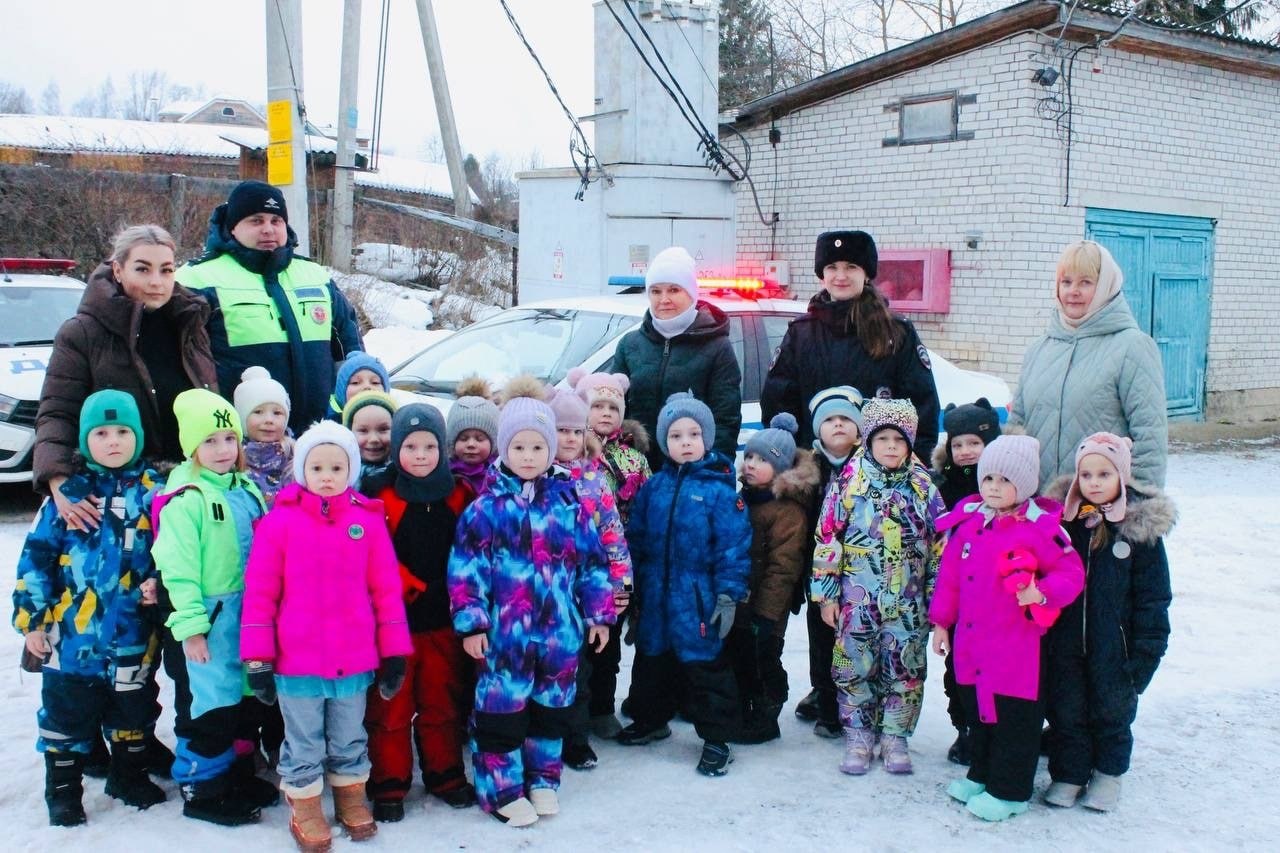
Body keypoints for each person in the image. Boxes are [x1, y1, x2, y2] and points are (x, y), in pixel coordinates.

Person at [447, 383, 615, 826]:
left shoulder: (568, 504)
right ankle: (501, 789)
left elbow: (593, 562)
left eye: (537, 446)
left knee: (551, 711)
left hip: (559, 633)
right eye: (518, 446)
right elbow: (466, 572)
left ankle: (543, 779)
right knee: (502, 714)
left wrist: (599, 614)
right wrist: (473, 625)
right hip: (506, 636)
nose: (528, 455)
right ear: (504, 449)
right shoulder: (486, 510)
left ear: (551, 449)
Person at [241, 421, 412, 848]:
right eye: (317, 468)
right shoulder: (278, 524)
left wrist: (394, 653)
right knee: (303, 741)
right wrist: (259, 659)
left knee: (349, 734)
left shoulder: (366, 522)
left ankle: (350, 797)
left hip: (353, 661)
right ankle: (306, 807)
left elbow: (386, 591)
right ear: (302, 471)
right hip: (296, 663)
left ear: (350, 470)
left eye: (337, 467)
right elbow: (260, 595)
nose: (327, 477)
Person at [14, 391, 166, 825]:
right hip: (73, 638)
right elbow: (37, 560)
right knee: (66, 712)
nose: (113, 441)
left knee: (133, 706)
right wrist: (33, 621)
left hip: (134, 634)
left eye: (123, 432)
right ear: (85, 439)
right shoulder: (69, 498)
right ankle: (62, 790)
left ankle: (129, 774)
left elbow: (170, 551)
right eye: (101, 432)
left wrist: (161, 584)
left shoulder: (155, 494)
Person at [929, 435, 1084, 822]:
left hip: (1016, 651)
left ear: (1025, 484)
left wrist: (1041, 592)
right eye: (988, 479)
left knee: (1014, 720)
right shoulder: (971, 523)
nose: (994, 488)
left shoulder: (1041, 528)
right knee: (979, 715)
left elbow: (1071, 573)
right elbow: (949, 577)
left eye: (1003, 480)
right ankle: (981, 774)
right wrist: (941, 623)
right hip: (971, 644)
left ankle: (1010, 790)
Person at [152, 388, 271, 826]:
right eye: (210, 441)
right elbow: (176, 570)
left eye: (229, 439)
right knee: (208, 707)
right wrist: (191, 628)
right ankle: (202, 788)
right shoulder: (186, 498)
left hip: (246, 617)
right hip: (207, 620)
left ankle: (234, 775)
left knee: (240, 703)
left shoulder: (245, 488)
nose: (222, 450)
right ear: (192, 447)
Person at [617, 392, 751, 778]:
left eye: (694, 434)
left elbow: (733, 548)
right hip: (656, 596)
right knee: (651, 662)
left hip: (699, 599)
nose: (686, 442)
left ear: (707, 439)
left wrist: (728, 594)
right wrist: (632, 588)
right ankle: (649, 720)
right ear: (664, 442)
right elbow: (636, 540)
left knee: (705, 667)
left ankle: (717, 739)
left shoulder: (721, 492)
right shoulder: (654, 488)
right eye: (676, 436)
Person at [1042, 433, 1174, 812]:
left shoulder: (1137, 532)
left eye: (1104, 474)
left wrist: (1144, 657)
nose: (1095, 483)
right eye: (1087, 475)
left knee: (1112, 712)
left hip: (1115, 649)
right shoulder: (1063, 525)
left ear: (1122, 477)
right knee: (1067, 711)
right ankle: (1068, 773)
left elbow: (1153, 598)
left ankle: (1108, 774)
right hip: (1065, 643)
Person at [811, 399, 944, 776]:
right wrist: (825, 596)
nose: (890, 446)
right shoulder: (849, 485)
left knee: (905, 668)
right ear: (867, 441)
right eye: (882, 438)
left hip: (908, 604)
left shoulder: (924, 489)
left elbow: (940, 548)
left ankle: (895, 735)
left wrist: (936, 601)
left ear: (910, 444)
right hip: (858, 602)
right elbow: (827, 539)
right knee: (854, 667)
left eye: (898, 440)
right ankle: (858, 734)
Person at [176, 180, 363, 434]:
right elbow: (181, 365)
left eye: (276, 221)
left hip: (317, 442)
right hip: (237, 444)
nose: (268, 229)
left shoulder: (315, 275)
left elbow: (349, 350)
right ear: (233, 227)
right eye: (256, 220)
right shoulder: (196, 279)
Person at [366, 404, 479, 820]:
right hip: (394, 624)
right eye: (410, 446)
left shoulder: (458, 493)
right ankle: (389, 782)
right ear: (397, 449)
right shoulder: (382, 495)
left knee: (441, 701)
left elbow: (472, 550)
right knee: (390, 707)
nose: (420, 454)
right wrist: (406, 586)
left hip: (445, 621)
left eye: (430, 446)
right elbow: (371, 555)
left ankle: (445, 772)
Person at [761, 230, 940, 462]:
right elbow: (778, 403)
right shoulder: (801, 333)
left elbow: (922, 407)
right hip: (814, 471)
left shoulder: (896, 332)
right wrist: (792, 462)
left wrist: (910, 468)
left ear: (866, 274)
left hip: (879, 476)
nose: (841, 275)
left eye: (851, 266)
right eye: (832, 267)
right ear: (822, 275)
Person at [1009, 240, 1168, 489]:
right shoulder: (1039, 349)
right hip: (1039, 512)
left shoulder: (1133, 347)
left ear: (1106, 286)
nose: (1073, 291)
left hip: (1099, 512)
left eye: (1085, 282)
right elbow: (1016, 428)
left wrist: (1138, 506)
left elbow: (1149, 438)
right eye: (1066, 281)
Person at [547, 386, 633, 769]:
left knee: (580, 673)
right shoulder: (538, 477)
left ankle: (576, 739)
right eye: (561, 430)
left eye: (575, 431)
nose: (569, 438)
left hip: (585, 594)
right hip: (544, 597)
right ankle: (545, 736)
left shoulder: (595, 481)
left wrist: (620, 585)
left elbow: (613, 536)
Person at [731, 413, 819, 744]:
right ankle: (745, 708)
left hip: (768, 606)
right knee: (741, 655)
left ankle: (768, 712)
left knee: (764, 657)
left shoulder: (787, 510)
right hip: (741, 598)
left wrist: (767, 613)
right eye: (749, 456)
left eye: (762, 460)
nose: (751, 464)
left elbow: (784, 567)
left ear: (780, 470)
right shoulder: (745, 499)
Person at [611, 247, 742, 470]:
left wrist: (709, 475)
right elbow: (612, 409)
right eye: (655, 291)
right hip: (634, 475)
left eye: (674, 290)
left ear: (691, 293)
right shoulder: (629, 345)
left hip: (690, 477)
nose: (664, 300)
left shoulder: (717, 347)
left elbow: (725, 422)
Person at [930, 397, 1003, 765]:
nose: (966, 452)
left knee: (996, 667)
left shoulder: (1006, 486)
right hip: (959, 596)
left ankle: (998, 730)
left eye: (975, 443)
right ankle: (965, 728)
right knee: (958, 668)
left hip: (998, 599)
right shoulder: (943, 488)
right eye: (957, 444)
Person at [793, 385, 864, 739]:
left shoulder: (867, 466)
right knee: (820, 635)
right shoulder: (807, 469)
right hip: (818, 574)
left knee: (852, 639)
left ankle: (852, 699)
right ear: (817, 429)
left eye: (846, 419)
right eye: (830, 420)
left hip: (859, 572)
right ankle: (824, 692)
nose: (838, 425)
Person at [569, 368, 651, 524]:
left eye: (613, 408)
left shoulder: (636, 458)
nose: (607, 413)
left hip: (625, 541)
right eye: (598, 406)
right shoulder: (571, 452)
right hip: (584, 538)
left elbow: (649, 503)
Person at [234, 365, 294, 509]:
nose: (269, 420)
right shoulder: (233, 456)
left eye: (277, 413)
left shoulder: (295, 454)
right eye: (258, 412)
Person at [446, 376, 500, 496]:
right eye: (463, 438)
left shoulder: (503, 478)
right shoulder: (444, 477)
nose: (471, 444)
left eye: (479, 439)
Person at [342, 390, 398, 494]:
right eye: (363, 431)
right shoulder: (341, 474)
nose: (373, 439)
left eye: (383, 429)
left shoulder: (404, 475)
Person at [328, 352, 391, 421]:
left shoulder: (394, 424)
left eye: (375, 382)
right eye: (355, 382)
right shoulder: (328, 427)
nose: (367, 386)